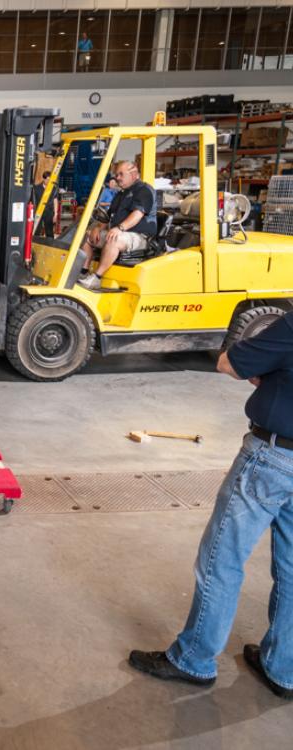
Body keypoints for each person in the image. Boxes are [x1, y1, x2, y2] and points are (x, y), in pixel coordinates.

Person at [129, 312, 293, 701]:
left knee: (221, 560)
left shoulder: (290, 327)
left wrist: (265, 370)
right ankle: (283, 667)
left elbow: (229, 363)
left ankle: (194, 659)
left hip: (272, 460)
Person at [78, 161, 156, 290]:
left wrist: (120, 228)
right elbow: (107, 217)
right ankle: (84, 272)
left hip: (140, 236)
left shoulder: (144, 190)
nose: (117, 178)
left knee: (113, 239)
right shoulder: (121, 193)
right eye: (116, 174)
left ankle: (96, 278)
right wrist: (97, 228)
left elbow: (137, 214)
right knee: (87, 236)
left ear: (134, 174)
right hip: (121, 233)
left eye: (121, 174)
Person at [31, 171, 56, 239]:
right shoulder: (37, 188)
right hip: (39, 211)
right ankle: (35, 243)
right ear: (44, 179)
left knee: (49, 231)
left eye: (50, 179)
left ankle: (50, 245)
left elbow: (55, 200)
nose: (49, 181)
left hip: (49, 211)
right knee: (37, 230)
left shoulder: (53, 188)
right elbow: (33, 200)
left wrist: (55, 214)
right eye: (47, 179)